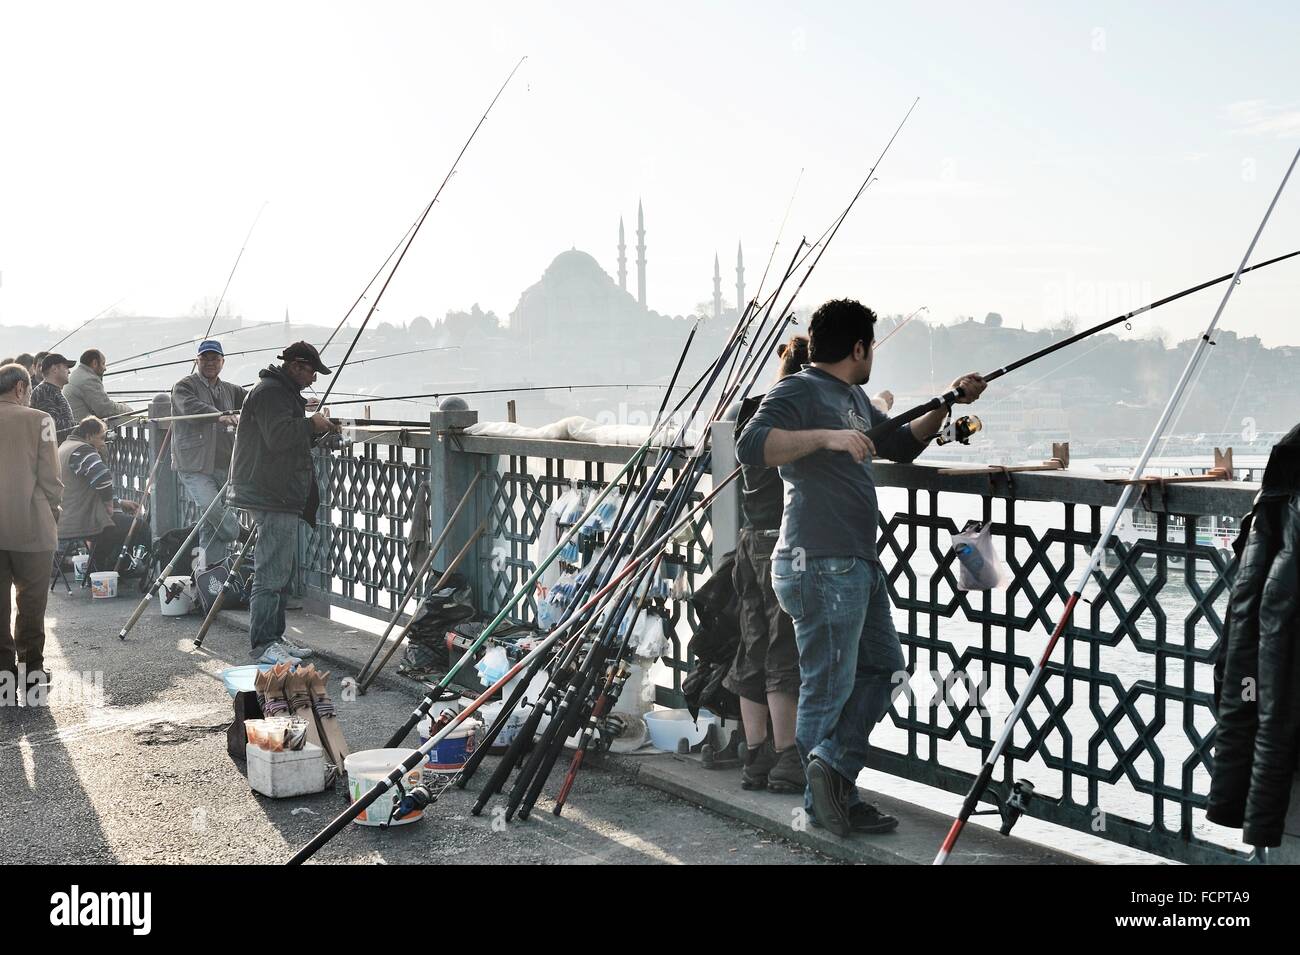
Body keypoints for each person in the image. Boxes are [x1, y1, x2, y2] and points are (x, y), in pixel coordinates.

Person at [737, 298, 987, 837]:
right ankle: (824, 798)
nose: (871, 353)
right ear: (858, 348)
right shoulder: (799, 389)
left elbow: (898, 444)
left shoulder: (851, 395)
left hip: (855, 561)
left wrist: (947, 402)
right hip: (819, 563)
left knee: (883, 668)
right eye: (869, 345)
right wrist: (826, 437)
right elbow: (750, 444)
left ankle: (833, 777)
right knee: (827, 687)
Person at [229, 341, 339, 665]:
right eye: (311, 372)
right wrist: (311, 423)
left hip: (279, 492)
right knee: (270, 572)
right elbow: (277, 438)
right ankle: (264, 644)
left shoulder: (282, 393)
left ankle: (274, 637)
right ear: (295, 365)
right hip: (270, 492)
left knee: (280, 570)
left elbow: (286, 437)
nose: (314, 380)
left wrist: (318, 430)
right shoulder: (270, 393)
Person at [0, 363, 63, 696]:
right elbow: (51, 476)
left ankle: (2, 672)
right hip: (32, 525)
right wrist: (56, 507)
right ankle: (31, 670)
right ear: (22, 388)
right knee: (32, 601)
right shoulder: (40, 419)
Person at [171, 340, 247, 563]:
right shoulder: (184, 386)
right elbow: (191, 408)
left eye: (215, 358)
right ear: (197, 361)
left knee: (210, 523)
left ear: (223, 362)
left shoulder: (230, 389)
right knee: (211, 508)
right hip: (194, 464)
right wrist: (219, 415)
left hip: (224, 463)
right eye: (205, 358)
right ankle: (239, 532)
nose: (210, 363)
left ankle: (209, 576)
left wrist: (301, 404)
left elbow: (257, 400)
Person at [56, 417, 148, 573]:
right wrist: (109, 505)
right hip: (81, 521)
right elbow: (102, 478)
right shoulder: (82, 450)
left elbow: (84, 489)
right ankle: (130, 569)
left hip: (65, 518)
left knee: (117, 524)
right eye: (101, 438)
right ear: (89, 436)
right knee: (139, 526)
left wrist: (119, 502)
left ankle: (103, 569)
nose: (103, 442)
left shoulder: (65, 447)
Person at [65, 348, 136, 423]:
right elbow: (105, 409)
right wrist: (127, 409)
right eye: (103, 363)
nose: (105, 368)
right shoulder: (88, 380)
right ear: (95, 363)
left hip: (74, 426)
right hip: (83, 431)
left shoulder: (77, 374)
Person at [30, 353, 76, 436]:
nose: (69, 371)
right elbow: (50, 424)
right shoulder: (45, 392)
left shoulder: (49, 390)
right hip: (55, 447)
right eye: (66, 367)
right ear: (54, 369)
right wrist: (80, 427)